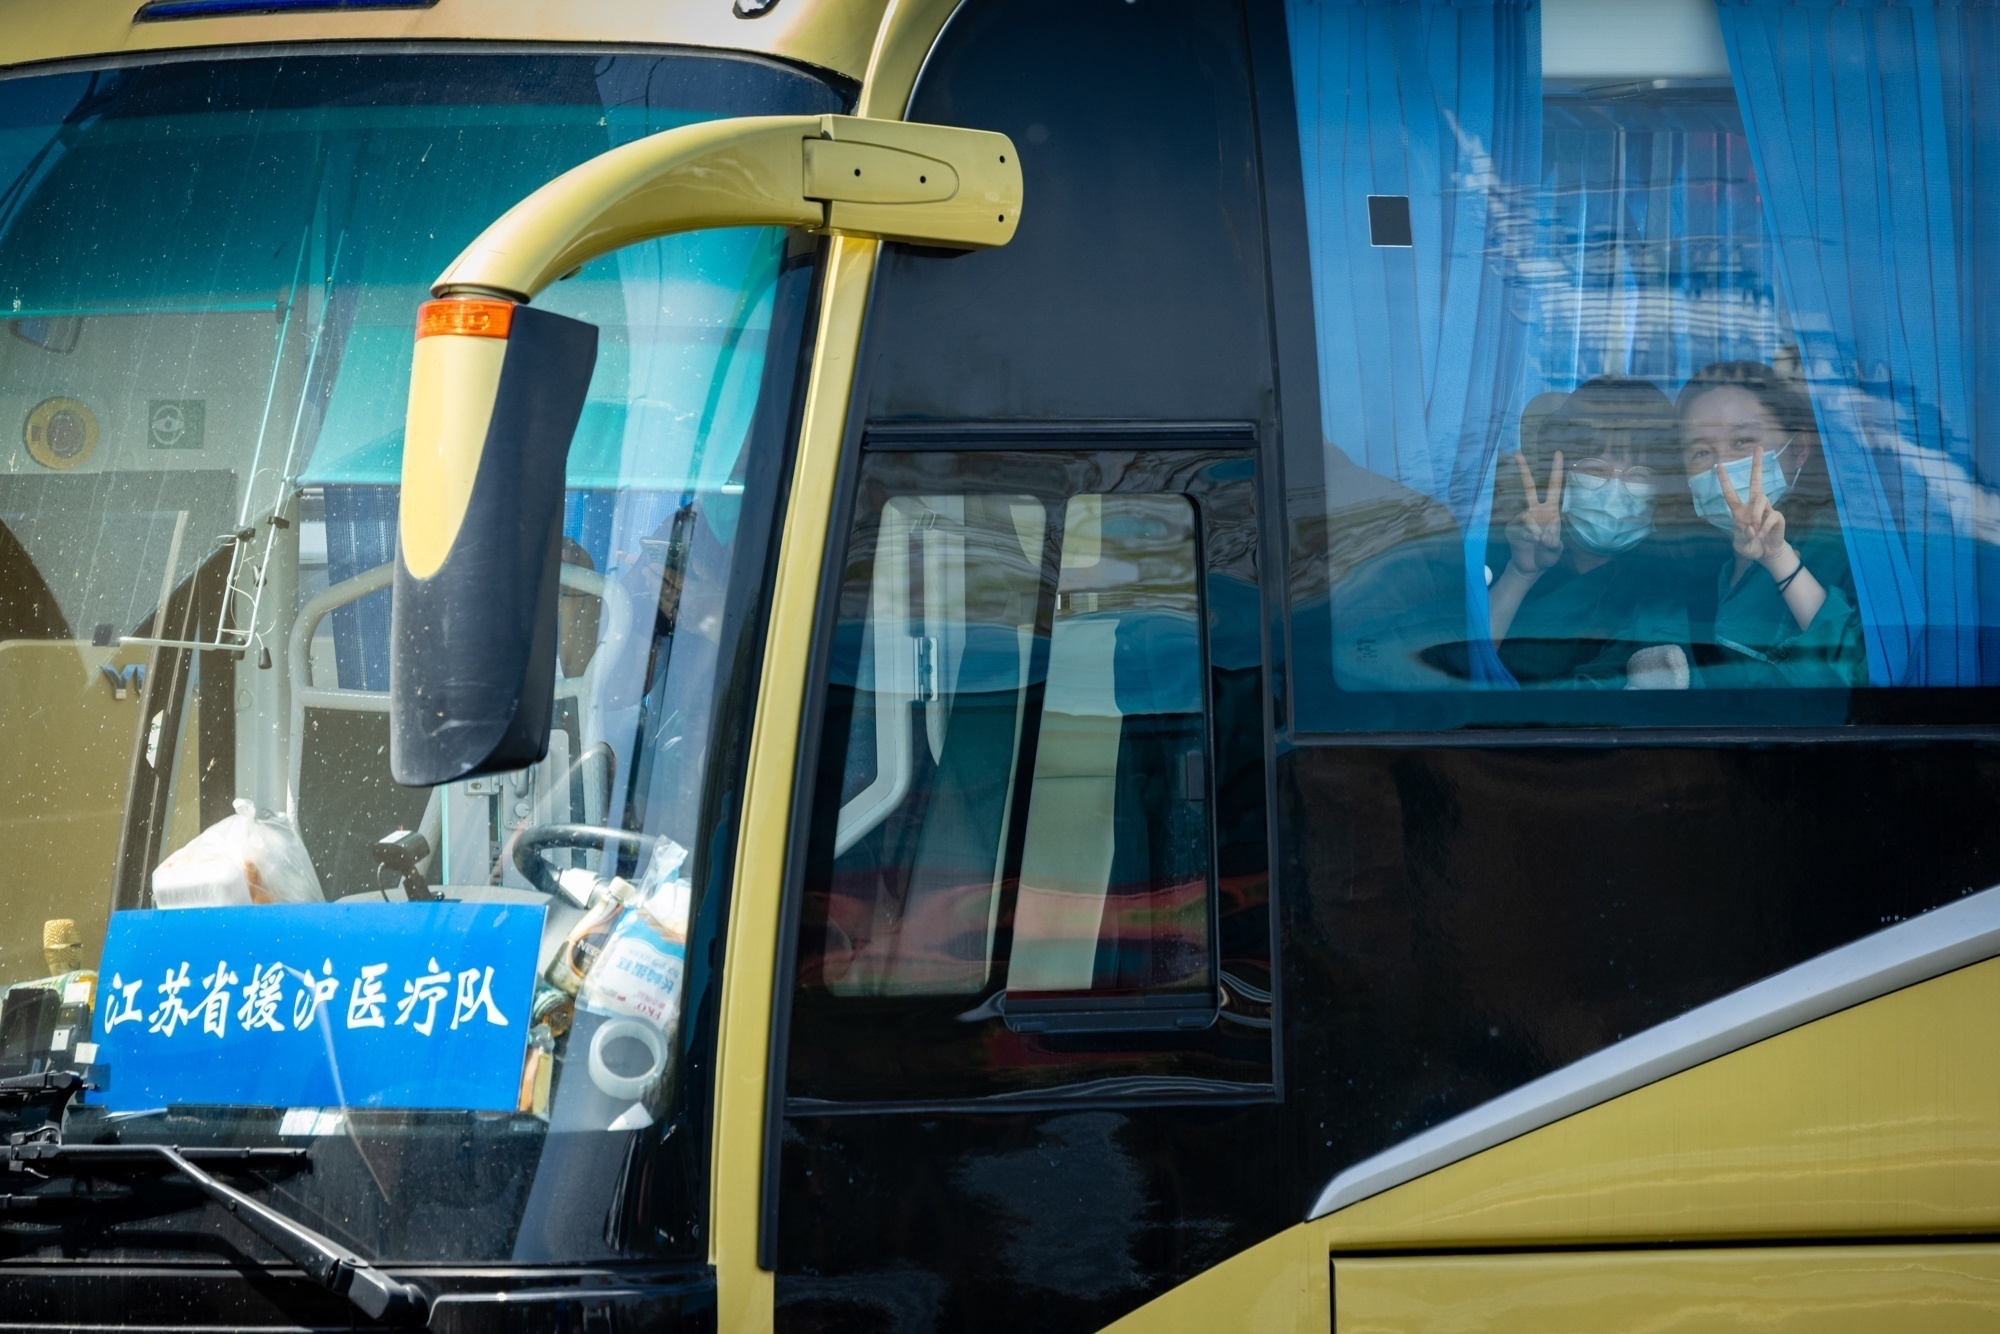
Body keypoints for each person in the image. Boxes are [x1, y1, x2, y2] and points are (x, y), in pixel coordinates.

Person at [1488, 377, 1691, 688]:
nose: (1614, 489)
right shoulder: (1508, 550)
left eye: (1639, 475)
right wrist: (1518, 575)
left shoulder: (1667, 587)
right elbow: (1459, 670)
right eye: (1595, 469)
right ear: (1562, 476)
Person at [1674, 361, 1864, 687]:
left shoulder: (1846, 552)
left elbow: (1864, 674)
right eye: (1701, 452)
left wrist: (1779, 559)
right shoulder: (1684, 561)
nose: (1722, 467)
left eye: (1742, 441)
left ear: (1799, 450)